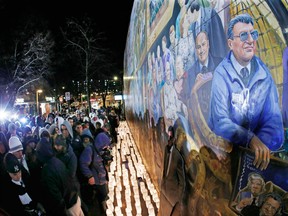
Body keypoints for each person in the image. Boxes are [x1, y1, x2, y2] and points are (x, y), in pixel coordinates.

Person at [208, 13, 284, 171]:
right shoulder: (221, 74)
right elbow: (220, 121)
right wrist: (249, 139)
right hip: (226, 158)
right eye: (243, 35)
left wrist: (258, 149)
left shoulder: (265, 75)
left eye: (253, 34)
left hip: (254, 161)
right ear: (230, 43)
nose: (250, 40)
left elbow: (274, 124)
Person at [79, 132, 110, 215]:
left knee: (105, 197)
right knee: (103, 197)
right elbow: (83, 163)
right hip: (96, 180)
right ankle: (103, 211)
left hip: (102, 178)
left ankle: (104, 209)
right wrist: (89, 176)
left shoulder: (99, 150)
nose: (106, 147)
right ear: (100, 143)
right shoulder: (89, 150)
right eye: (105, 145)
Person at [159, 126, 186, 216]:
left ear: (174, 139)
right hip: (164, 191)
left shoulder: (178, 157)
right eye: (168, 136)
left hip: (173, 198)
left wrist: (178, 199)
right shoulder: (166, 150)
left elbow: (182, 182)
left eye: (170, 137)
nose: (169, 139)